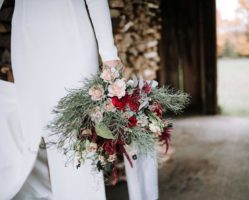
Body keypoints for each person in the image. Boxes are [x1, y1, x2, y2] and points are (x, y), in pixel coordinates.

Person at [0, 0, 158, 199]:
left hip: (72, 34)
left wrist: (108, 52)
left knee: (76, 135)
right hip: (27, 38)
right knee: (32, 131)